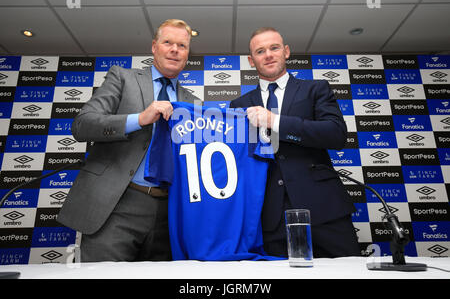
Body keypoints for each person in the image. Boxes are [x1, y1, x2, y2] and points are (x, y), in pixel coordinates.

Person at [57, 19, 200, 262]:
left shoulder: (194, 103)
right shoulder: (122, 78)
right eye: (168, 42)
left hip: (170, 212)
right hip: (117, 205)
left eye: (182, 45)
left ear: (187, 54)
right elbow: (82, 124)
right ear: (154, 47)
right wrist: (139, 119)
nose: (175, 50)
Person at [229, 27, 360, 258]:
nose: (268, 55)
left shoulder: (315, 89)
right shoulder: (239, 105)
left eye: (274, 48)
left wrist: (274, 120)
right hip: (268, 216)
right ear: (251, 60)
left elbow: (336, 134)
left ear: (286, 52)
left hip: (324, 209)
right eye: (260, 51)